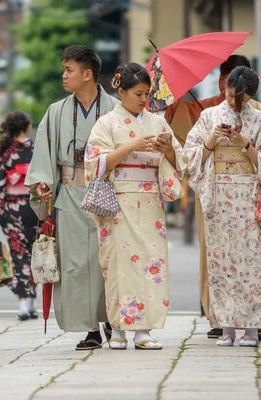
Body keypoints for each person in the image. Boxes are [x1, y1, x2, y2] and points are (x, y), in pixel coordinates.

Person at [164, 54, 261, 341]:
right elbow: (190, 157)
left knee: (251, 260)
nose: (234, 102)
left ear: (251, 94)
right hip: (218, 196)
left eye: (240, 97)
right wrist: (210, 141)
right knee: (220, 261)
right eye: (230, 95)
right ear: (224, 87)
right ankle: (225, 325)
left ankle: (252, 326)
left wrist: (245, 145)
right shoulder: (209, 116)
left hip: (248, 195)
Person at [85, 63, 186, 350]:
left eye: (147, 94)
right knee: (117, 265)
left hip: (150, 202)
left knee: (151, 262)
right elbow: (95, 163)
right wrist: (132, 146)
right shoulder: (106, 123)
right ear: (120, 91)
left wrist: (166, 150)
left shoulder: (157, 122)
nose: (144, 100)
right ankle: (117, 328)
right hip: (118, 202)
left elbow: (180, 161)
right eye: (138, 93)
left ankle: (144, 329)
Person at [24, 45, 118, 350]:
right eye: (64, 69)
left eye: (69, 70)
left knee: (108, 262)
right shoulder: (56, 112)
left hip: (107, 195)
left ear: (87, 74)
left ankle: (113, 321)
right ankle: (90, 327)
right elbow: (43, 156)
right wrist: (42, 185)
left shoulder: (116, 110)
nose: (64, 75)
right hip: (69, 198)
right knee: (76, 265)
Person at [0, 111, 40, 320]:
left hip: (12, 211)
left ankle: (22, 304)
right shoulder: (38, 151)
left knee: (19, 256)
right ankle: (33, 302)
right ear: (28, 128)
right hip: (36, 208)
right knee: (36, 255)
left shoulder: (5, 153)